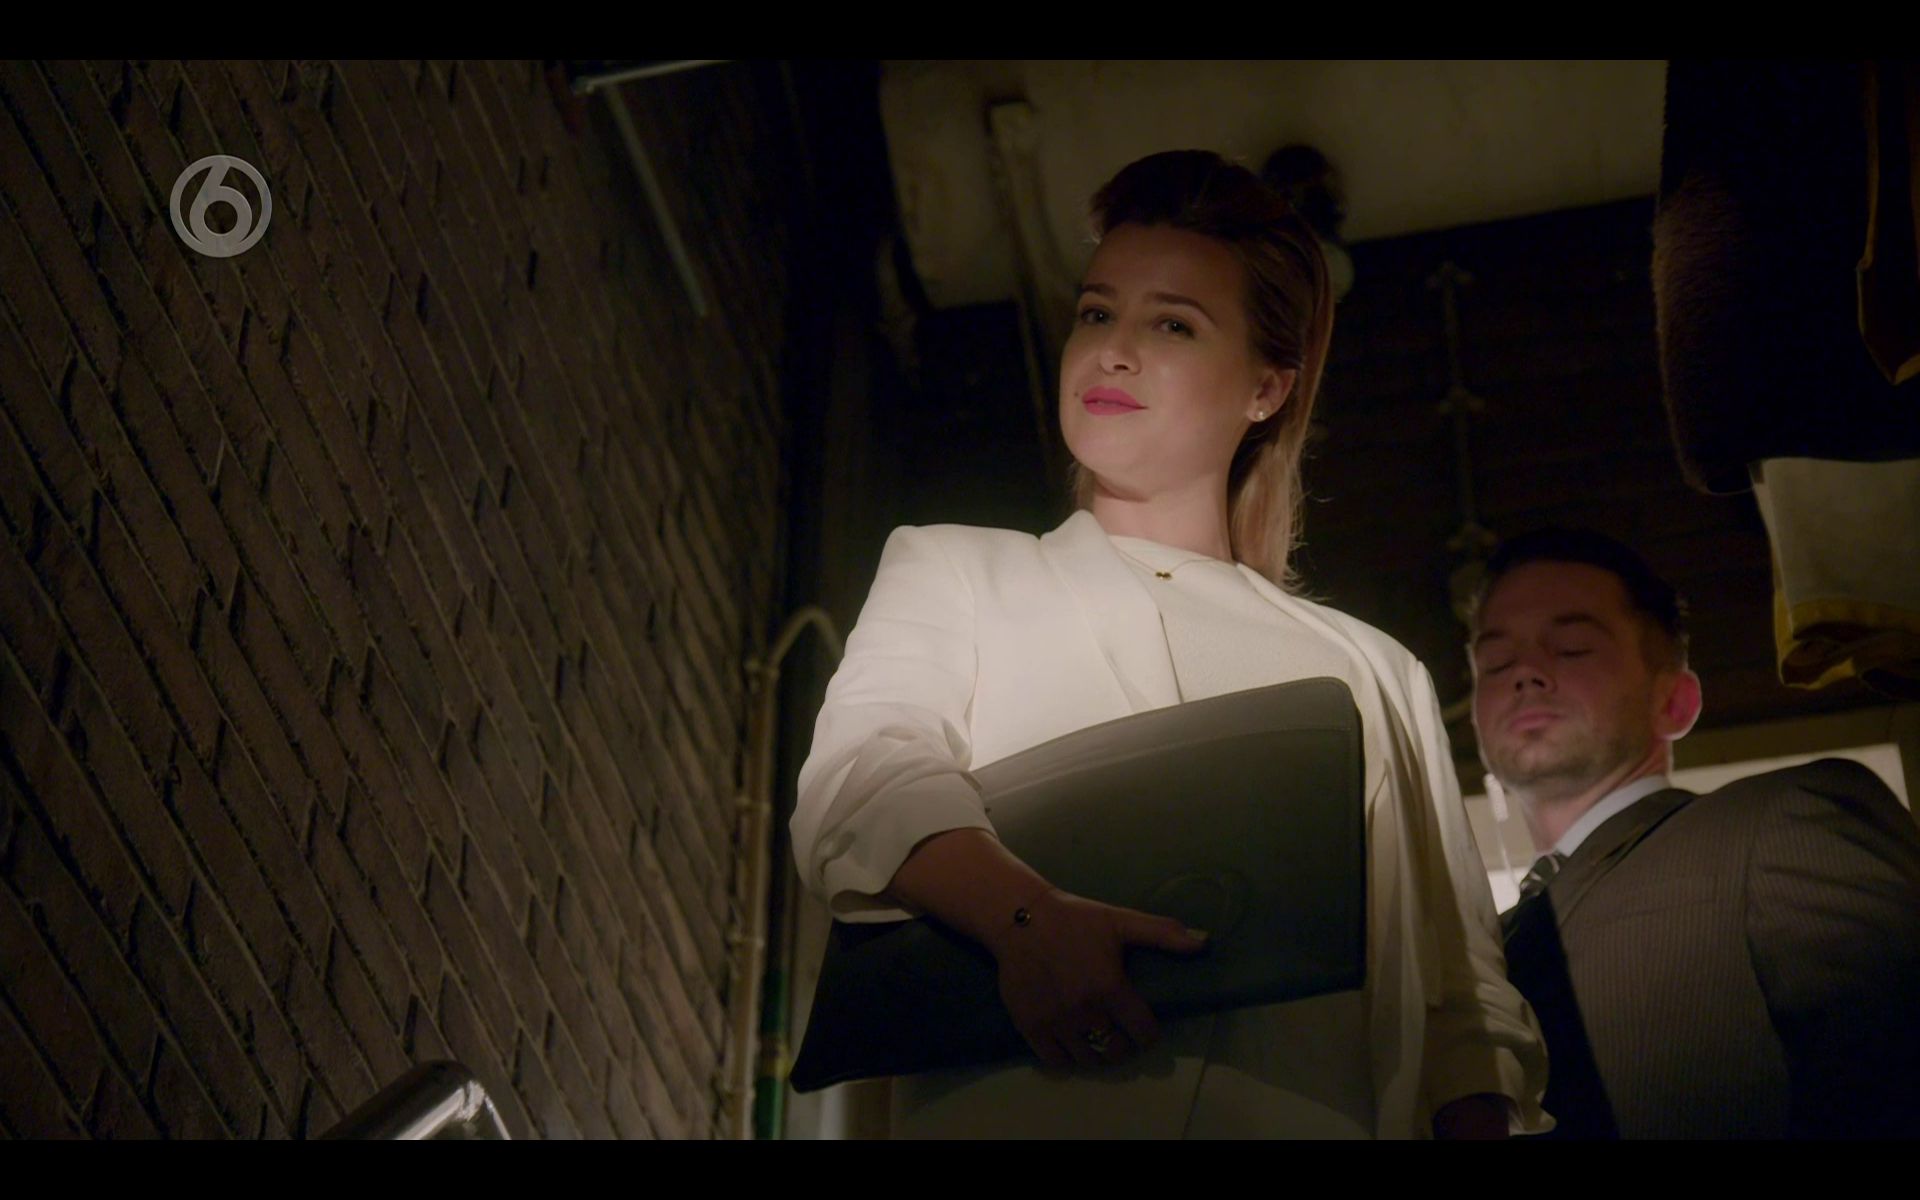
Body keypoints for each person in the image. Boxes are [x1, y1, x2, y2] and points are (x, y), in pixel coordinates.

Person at [791, 150, 1548, 1139]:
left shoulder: (1370, 670)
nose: (1112, 351)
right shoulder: (961, 570)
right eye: (1096, 312)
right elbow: (859, 777)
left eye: (1172, 324)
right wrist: (1027, 921)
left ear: (1266, 388)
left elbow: (1464, 1005)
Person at [1468, 527, 1920, 1138]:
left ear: (1675, 701)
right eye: (1495, 662)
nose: (1525, 673)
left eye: (1572, 648)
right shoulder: (1476, 950)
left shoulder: (1783, 822)